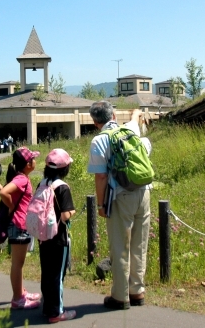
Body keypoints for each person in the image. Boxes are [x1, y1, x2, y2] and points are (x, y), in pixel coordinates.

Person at [87, 103, 151, 310]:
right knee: (139, 244)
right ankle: (137, 291)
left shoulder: (99, 140)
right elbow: (134, 118)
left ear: (95, 122)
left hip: (120, 196)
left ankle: (120, 296)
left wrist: (100, 204)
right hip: (144, 191)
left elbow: (101, 176)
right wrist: (137, 113)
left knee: (120, 245)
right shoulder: (130, 129)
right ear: (114, 115)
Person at [0, 147, 42, 310]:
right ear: (28, 163)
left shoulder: (22, 177)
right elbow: (4, 192)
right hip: (19, 224)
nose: (35, 161)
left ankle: (21, 292)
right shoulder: (21, 179)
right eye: (33, 158)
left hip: (19, 224)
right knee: (18, 263)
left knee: (19, 262)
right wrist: (11, 207)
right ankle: (17, 299)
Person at [38, 149, 76, 323]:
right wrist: (73, 211)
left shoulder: (42, 183)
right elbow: (65, 214)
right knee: (57, 276)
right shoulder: (62, 187)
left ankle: (47, 305)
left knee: (47, 272)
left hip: (42, 236)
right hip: (58, 237)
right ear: (64, 168)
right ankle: (56, 312)